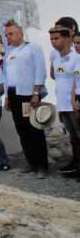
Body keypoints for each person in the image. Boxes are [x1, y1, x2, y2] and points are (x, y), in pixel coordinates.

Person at [2, 22, 48, 178]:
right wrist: (7, 97)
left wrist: (36, 92)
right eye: (6, 35)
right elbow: (7, 76)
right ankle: (31, 163)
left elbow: (40, 70)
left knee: (34, 129)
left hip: (28, 94)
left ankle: (42, 165)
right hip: (14, 94)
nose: (8, 37)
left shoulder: (32, 48)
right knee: (21, 129)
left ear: (20, 34)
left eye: (11, 34)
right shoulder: (9, 52)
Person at [48, 26, 80, 177]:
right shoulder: (56, 58)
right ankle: (76, 163)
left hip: (74, 104)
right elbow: (55, 78)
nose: (53, 42)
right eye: (52, 39)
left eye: (57, 38)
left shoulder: (76, 58)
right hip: (63, 104)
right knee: (73, 137)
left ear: (67, 39)